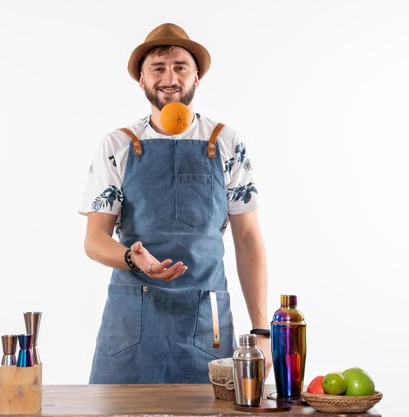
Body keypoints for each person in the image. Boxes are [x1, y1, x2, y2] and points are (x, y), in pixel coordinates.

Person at [78, 22, 271, 384]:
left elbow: (247, 240)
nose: (170, 77)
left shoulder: (226, 141)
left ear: (197, 77)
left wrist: (262, 328)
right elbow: (94, 239)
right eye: (158, 68)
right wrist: (129, 257)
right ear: (141, 80)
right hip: (131, 320)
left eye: (181, 67)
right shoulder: (117, 145)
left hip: (206, 322)